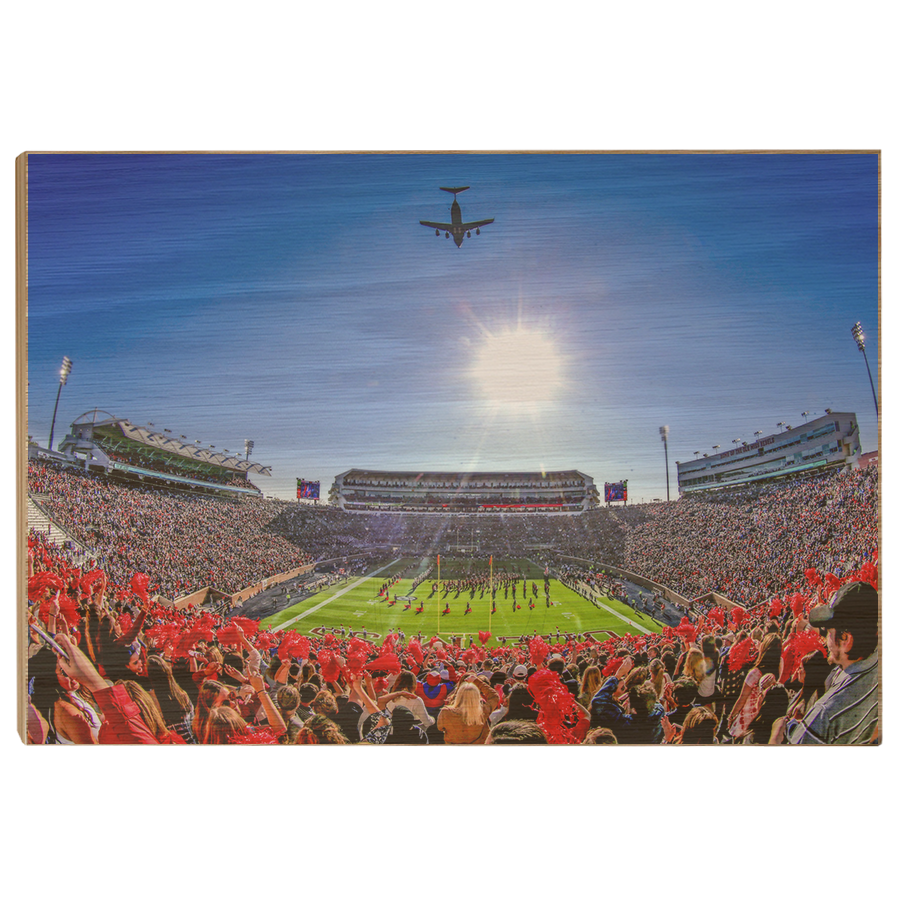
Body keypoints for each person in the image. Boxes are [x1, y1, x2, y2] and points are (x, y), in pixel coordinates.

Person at [786, 582, 879, 744]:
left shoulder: (824, 713)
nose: (825, 639)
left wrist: (782, 730)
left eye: (829, 632)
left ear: (846, 639)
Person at [437, 676, 498, 744]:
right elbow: (494, 696)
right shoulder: (483, 711)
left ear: (459, 695)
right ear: (477, 696)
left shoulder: (446, 712)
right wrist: (477, 682)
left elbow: (440, 728)